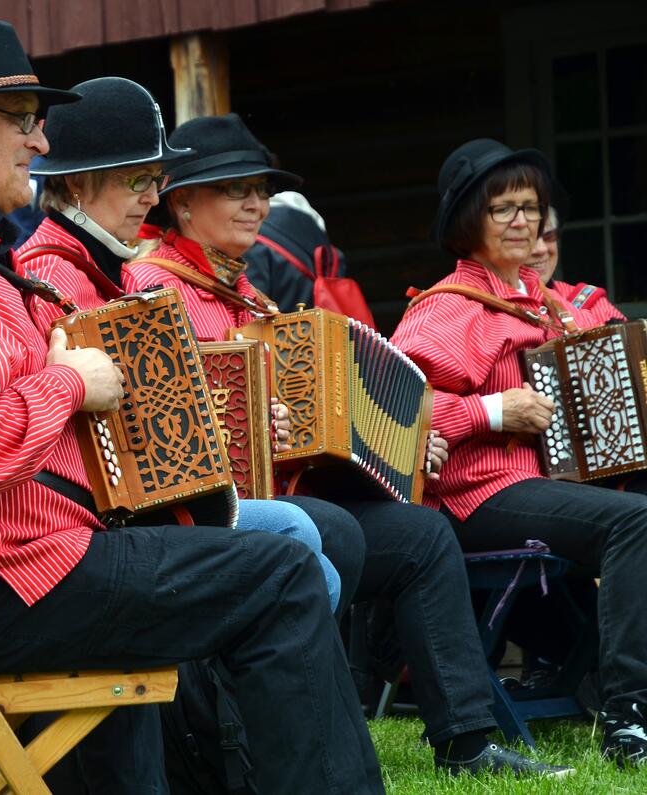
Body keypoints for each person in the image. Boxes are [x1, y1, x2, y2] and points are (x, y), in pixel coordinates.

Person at [0, 17, 382, 794]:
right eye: (21, 120)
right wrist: (72, 383)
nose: (40, 143)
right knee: (280, 572)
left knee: (239, 550)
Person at [123, 117, 572, 776]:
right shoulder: (152, 289)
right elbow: (157, 430)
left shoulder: (255, 298)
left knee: (420, 536)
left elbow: (310, 425)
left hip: (286, 497)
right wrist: (246, 429)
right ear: (184, 202)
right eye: (235, 190)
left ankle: (466, 741)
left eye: (260, 190)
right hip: (210, 517)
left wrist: (399, 442)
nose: (255, 204)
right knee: (337, 533)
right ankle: (293, 732)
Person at [18, 75, 343, 611]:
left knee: (318, 548)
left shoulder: (108, 272)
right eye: (137, 180)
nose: (153, 197)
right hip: (92, 523)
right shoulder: (53, 279)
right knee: (299, 541)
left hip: (139, 510)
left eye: (157, 178)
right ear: (78, 185)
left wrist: (248, 424)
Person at [391, 137, 647, 768]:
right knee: (633, 521)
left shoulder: (548, 304)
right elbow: (398, 416)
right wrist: (496, 410)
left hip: (545, 484)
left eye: (530, 207)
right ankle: (630, 716)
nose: (522, 221)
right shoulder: (448, 310)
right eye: (502, 207)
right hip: (476, 494)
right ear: (466, 222)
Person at [528, 206, 626, 323]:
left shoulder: (589, 300)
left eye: (549, 236)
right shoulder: (501, 313)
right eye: (525, 240)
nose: (541, 249)